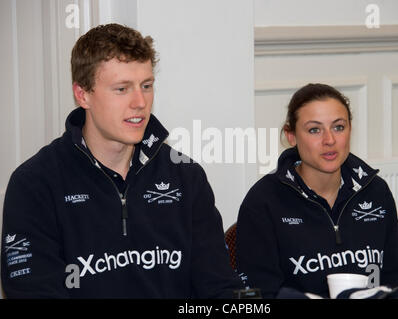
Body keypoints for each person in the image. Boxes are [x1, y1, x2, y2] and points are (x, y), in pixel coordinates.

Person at [1, 23, 243, 298]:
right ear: (83, 94)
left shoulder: (186, 176)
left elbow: (221, 290)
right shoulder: (35, 184)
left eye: (147, 85)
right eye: (122, 89)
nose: (140, 102)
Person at [235, 83, 398, 298]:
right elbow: (258, 295)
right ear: (291, 136)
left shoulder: (375, 191)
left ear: (350, 129)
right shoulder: (264, 201)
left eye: (338, 127)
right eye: (314, 129)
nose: (329, 140)